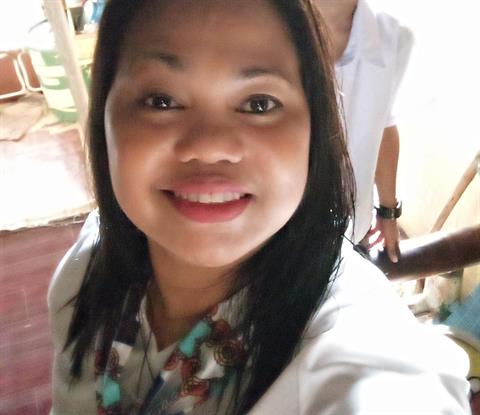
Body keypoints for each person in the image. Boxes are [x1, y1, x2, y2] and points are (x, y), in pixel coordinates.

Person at [48, 1, 471, 414]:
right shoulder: (85, 270)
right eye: (161, 100)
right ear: (103, 114)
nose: (210, 146)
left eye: (259, 104)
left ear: (317, 127)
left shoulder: (359, 352)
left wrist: (388, 210)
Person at [314, 0, 413, 263]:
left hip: (350, 226)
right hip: (273, 232)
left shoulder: (393, 38)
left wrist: (388, 210)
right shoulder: (258, 28)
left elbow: (383, 123)